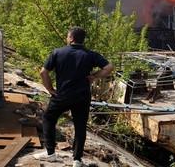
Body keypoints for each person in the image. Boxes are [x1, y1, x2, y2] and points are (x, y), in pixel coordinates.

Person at [33, 27, 114, 167]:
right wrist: (94, 76)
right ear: (82, 40)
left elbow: (43, 72)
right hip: (82, 97)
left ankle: (50, 153)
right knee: (80, 126)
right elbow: (109, 67)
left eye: (67, 36)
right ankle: (77, 160)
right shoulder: (90, 55)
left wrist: (50, 89)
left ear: (71, 38)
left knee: (48, 118)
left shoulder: (57, 52)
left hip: (62, 95)